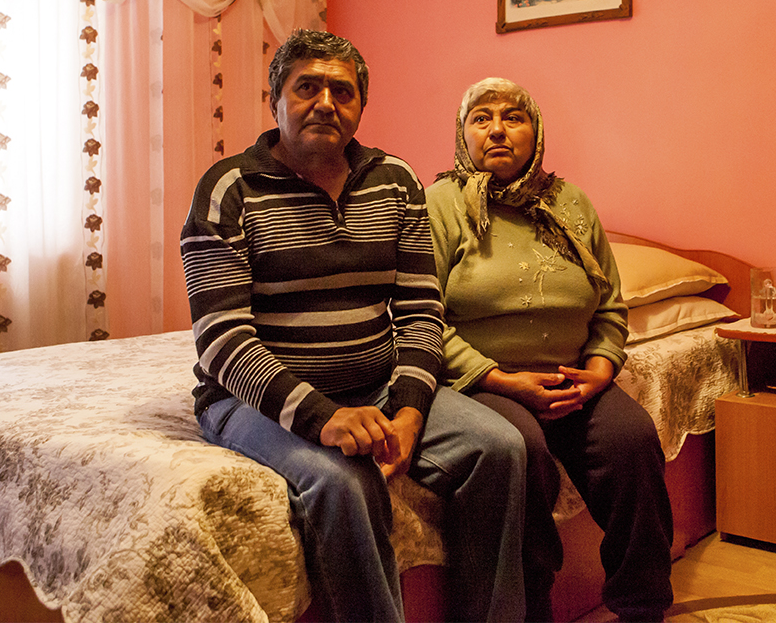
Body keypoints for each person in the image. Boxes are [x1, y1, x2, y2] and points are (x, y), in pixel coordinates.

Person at [181, 32, 526, 623]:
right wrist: (322, 417)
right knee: (346, 482)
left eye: (342, 91)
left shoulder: (394, 180)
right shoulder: (229, 189)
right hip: (254, 401)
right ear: (276, 101)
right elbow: (221, 341)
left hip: (377, 385)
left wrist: (413, 409)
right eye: (306, 87)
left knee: (500, 448)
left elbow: (420, 312)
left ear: (361, 106)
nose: (325, 102)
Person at [426, 77, 674, 623]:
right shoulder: (440, 205)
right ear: (462, 133)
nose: (498, 129)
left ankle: (642, 606)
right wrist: (499, 379)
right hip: (487, 382)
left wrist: (600, 371)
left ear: (535, 131)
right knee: (523, 451)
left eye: (514, 117)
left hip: (576, 378)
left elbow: (609, 305)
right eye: (482, 117)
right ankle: (530, 606)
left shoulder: (571, 203)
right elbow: (422, 318)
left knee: (633, 441)